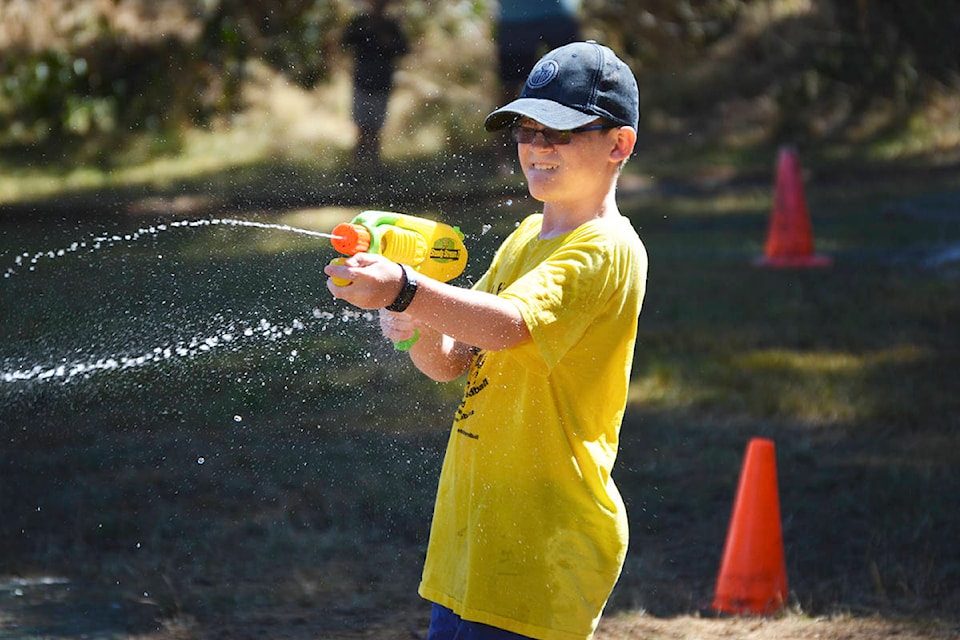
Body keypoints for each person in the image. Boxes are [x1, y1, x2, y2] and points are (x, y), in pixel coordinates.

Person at [325, 41, 647, 640]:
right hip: (473, 535)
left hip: (542, 543)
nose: (537, 147)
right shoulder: (527, 236)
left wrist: (406, 291)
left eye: (560, 131)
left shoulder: (606, 247)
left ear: (618, 145)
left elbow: (508, 325)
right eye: (526, 130)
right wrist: (414, 321)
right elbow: (452, 363)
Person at [342, 0, 408, 167]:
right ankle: (358, 165)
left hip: (381, 82)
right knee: (361, 126)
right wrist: (365, 30)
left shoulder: (391, 26)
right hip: (363, 80)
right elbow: (346, 40)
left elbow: (403, 49)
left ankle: (372, 165)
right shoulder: (361, 22)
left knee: (375, 128)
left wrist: (387, 41)